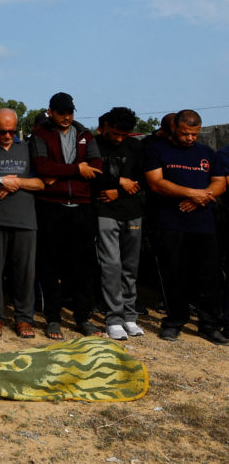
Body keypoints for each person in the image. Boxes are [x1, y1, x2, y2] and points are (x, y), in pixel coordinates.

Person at [145, 109, 228, 344]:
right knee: (175, 274)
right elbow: (156, 182)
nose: (190, 138)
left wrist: (200, 197)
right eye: (185, 134)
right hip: (169, 223)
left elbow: (220, 182)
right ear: (175, 128)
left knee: (209, 277)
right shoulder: (157, 150)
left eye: (194, 134)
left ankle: (209, 325)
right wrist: (191, 192)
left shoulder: (206, 153)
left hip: (203, 224)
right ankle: (174, 321)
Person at [30, 92, 103, 339]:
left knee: (84, 265)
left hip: (82, 206)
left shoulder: (85, 134)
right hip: (51, 206)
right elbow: (41, 167)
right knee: (50, 265)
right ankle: (53, 318)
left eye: (70, 112)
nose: (66, 117)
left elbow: (96, 168)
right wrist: (76, 169)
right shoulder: (40, 134)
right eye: (61, 112)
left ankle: (83, 317)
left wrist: (60, 173)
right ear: (50, 112)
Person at [0, 108, 44, 338]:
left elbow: (40, 183)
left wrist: (15, 183)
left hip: (24, 220)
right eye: (3, 131)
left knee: (25, 272)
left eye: (12, 131)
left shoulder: (28, 148)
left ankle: (24, 319)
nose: (7, 136)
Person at [92, 107, 147, 341]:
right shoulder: (93, 145)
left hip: (132, 212)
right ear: (105, 126)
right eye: (114, 133)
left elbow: (143, 180)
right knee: (110, 265)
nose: (118, 138)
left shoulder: (136, 146)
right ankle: (113, 318)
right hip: (104, 211)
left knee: (130, 266)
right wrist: (117, 182)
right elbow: (90, 176)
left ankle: (130, 316)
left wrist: (119, 191)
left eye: (123, 134)